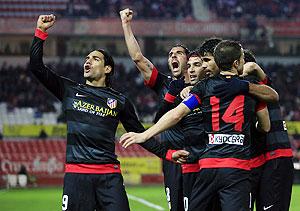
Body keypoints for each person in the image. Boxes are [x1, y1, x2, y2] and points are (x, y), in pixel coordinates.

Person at [29, 14, 165, 211]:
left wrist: (167, 154)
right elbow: (36, 67)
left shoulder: (120, 101)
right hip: (77, 176)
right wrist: (40, 31)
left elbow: (141, 135)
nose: (88, 61)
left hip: (109, 177)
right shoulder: (69, 89)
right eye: (87, 58)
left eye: (95, 58)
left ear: (107, 68)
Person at [120, 40, 271, 210]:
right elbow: (266, 122)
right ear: (236, 63)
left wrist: (145, 134)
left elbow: (176, 114)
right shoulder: (253, 89)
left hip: (208, 166)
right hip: (236, 167)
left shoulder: (203, 88)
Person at [120, 8, 189, 211]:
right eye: (170, 55)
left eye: (178, 53)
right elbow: (138, 58)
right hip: (173, 159)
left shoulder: (203, 86)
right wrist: (126, 24)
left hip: (200, 155)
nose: (173, 57)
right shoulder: (163, 83)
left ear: (189, 60)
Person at [242, 50, 294, 211]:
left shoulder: (253, 86)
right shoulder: (262, 86)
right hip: (265, 159)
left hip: (274, 157)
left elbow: (252, 66)